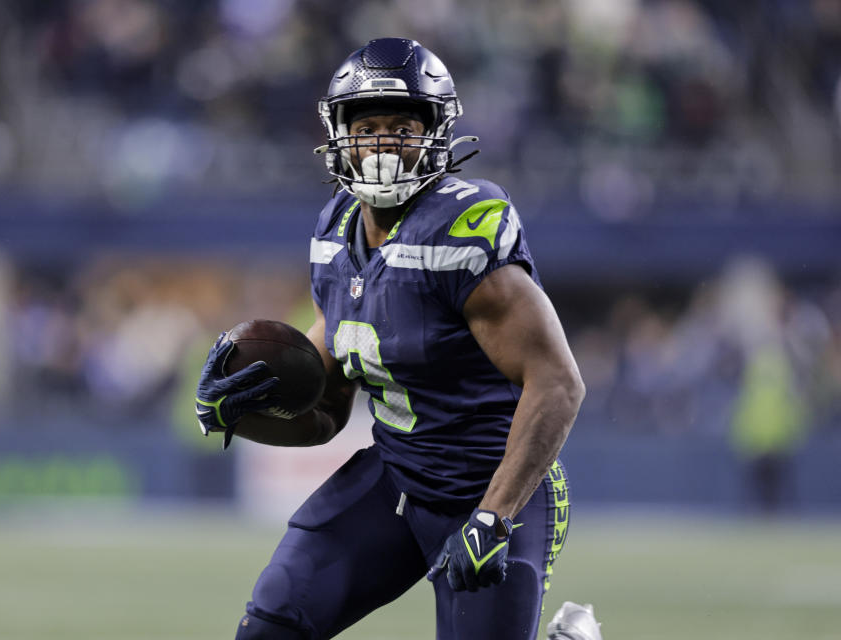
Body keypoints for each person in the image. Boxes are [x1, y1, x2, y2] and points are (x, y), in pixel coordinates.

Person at [196, 38, 589, 640]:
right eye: (368, 125)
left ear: (436, 132)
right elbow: (323, 413)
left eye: (401, 126)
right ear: (340, 136)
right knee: (274, 619)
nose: (382, 142)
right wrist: (236, 413)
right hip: (398, 479)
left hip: (489, 485)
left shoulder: (460, 229)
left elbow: (559, 382)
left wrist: (494, 515)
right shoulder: (336, 232)